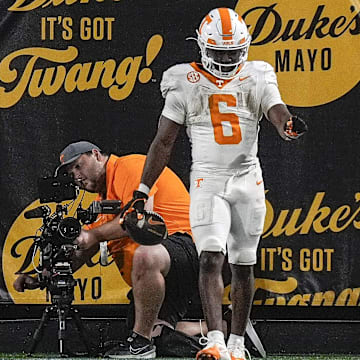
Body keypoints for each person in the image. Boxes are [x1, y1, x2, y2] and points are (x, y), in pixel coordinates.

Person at [121, 7, 308, 360]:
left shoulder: (257, 74)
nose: (226, 59)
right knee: (209, 257)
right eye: (219, 52)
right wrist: (142, 190)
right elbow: (163, 141)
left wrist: (286, 124)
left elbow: (275, 106)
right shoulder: (184, 81)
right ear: (203, 47)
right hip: (208, 179)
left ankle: (238, 342)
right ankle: (216, 341)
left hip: (247, 179)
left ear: (245, 49)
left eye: (232, 52)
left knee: (243, 262)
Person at [14, 140, 202, 359]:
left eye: (78, 166)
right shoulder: (103, 204)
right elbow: (81, 253)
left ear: (96, 155)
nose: (76, 176)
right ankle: (215, 330)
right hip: (162, 277)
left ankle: (141, 344)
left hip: (184, 248)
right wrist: (41, 275)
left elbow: (140, 219)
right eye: (70, 172)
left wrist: (93, 235)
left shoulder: (128, 166)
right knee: (154, 332)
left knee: (145, 255)